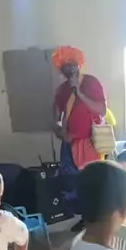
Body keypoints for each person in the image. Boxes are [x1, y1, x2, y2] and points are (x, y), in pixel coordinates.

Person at [52, 46, 107, 232]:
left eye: (73, 64)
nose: (70, 68)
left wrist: (80, 94)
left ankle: (98, 220)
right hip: (70, 145)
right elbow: (55, 120)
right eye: (66, 65)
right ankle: (85, 218)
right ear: (61, 68)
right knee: (74, 185)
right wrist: (61, 132)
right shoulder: (61, 91)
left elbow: (102, 110)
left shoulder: (91, 82)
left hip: (91, 144)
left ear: (79, 64)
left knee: (94, 182)